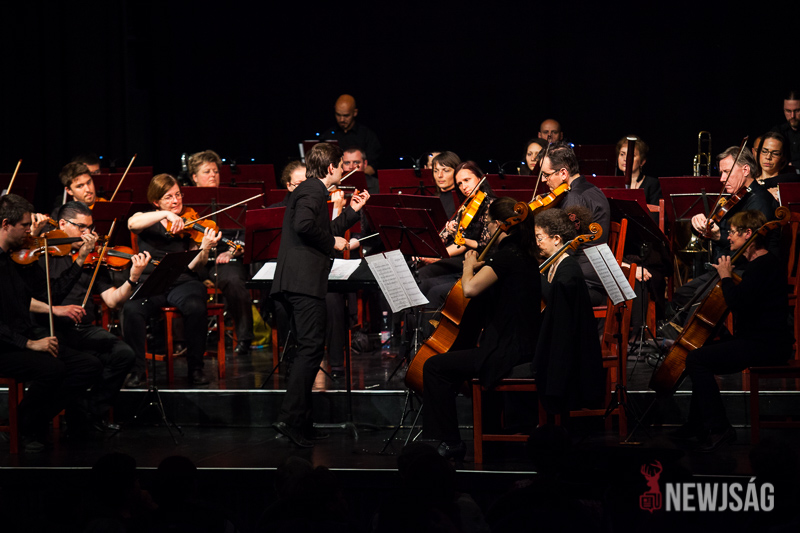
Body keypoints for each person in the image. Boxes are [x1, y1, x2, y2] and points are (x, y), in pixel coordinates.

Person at [422, 197, 542, 461]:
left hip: (507, 349)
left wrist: (468, 266)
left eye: (487, 223)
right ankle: (488, 431)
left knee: (434, 367)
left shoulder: (507, 256)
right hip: (521, 344)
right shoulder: (522, 254)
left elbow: (470, 288)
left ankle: (451, 442)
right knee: (452, 365)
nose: (486, 229)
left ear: (499, 225)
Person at [270, 142, 369, 447]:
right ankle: (290, 420)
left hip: (298, 282)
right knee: (311, 349)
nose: (344, 170)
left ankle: (302, 422)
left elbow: (322, 229)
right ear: (330, 168)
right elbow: (305, 227)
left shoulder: (312, 190)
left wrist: (351, 213)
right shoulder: (313, 190)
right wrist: (332, 243)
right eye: (341, 165)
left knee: (308, 349)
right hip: (303, 283)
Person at [673, 210, 792, 451]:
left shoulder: (762, 266)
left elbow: (738, 304)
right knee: (701, 352)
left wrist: (726, 277)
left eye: (733, 232)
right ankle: (697, 424)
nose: (728, 237)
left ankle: (719, 428)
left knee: (696, 359)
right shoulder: (759, 265)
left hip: (766, 346)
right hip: (758, 341)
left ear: (748, 234)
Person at [0, 194, 101, 451]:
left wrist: (80, 259)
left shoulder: (19, 259)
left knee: (88, 365)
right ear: (5, 225)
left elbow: (51, 295)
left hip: (18, 339)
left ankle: (25, 423)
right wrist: (29, 343)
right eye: (25, 226)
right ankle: (22, 427)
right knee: (52, 368)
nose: (31, 232)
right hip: (4, 345)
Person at [38, 201, 144, 431]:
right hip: (54, 327)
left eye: (91, 227)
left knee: (124, 354)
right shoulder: (45, 253)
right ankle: (74, 415)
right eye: (82, 227)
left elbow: (112, 300)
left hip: (83, 329)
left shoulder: (93, 257)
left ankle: (88, 411)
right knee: (86, 364)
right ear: (63, 224)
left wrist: (132, 279)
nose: (89, 233)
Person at [123, 174, 222, 387]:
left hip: (183, 281)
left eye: (178, 195)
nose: (176, 201)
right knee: (131, 309)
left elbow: (194, 266)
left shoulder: (190, 222)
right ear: (156, 202)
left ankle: (195, 368)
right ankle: (137, 371)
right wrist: (166, 214)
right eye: (168, 197)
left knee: (196, 306)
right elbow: (132, 224)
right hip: (152, 282)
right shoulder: (146, 218)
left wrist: (204, 249)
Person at [670, 146, 779, 313]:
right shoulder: (735, 198)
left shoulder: (759, 201)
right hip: (725, 268)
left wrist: (718, 236)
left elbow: (749, 245)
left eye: (727, 172)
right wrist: (699, 224)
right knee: (682, 294)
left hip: (746, 271)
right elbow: (715, 230)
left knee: (698, 299)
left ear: (745, 170)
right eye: (721, 172)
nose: (721, 179)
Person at [526, 207, 604, 415]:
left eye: (539, 238)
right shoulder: (554, 264)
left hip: (566, 355)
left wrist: (533, 273)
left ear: (557, 239)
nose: (536, 243)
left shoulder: (568, 269)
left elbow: (556, 303)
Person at [188, 149, 254, 355]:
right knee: (180, 280)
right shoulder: (186, 202)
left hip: (225, 257)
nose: (212, 176)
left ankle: (244, 338)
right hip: (197, 258)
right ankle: (183, 341)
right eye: (206, 172)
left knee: (234, 280)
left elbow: (244, 233)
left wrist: (233, 252)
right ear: (194, 177)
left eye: (215, 171)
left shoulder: (231, 200)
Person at [540, 142, 610, 306]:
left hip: (583, 282)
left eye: (546, 175)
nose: (543, 180)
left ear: (563, 173)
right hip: (594, 276)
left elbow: (566, 247)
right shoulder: (592, 189)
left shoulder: (574, 198)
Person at [327, 94, 382, 176]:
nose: (342, 119)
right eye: (338, 115)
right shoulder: (328, 135)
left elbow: (372, 166)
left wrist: (354, 177)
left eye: (346, 116)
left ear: (355, 112)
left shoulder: (367, 135)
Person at [615, 135, 662, 205]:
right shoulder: (613, 184)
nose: (626, 159)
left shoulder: (653, 184)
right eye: (622, 154)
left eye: (632, 155)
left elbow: (656, 210)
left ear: (642, 161)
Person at [770, 89, 800, 169]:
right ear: (783, 110)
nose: (792, 116)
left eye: (797, 111)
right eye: (788, 111)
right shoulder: (777, 131)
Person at [431, 151, 462, 218]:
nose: (439, 175)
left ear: (457, 172)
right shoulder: (434, 198)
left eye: (446, 171)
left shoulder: (462, 198)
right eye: (436, 171)